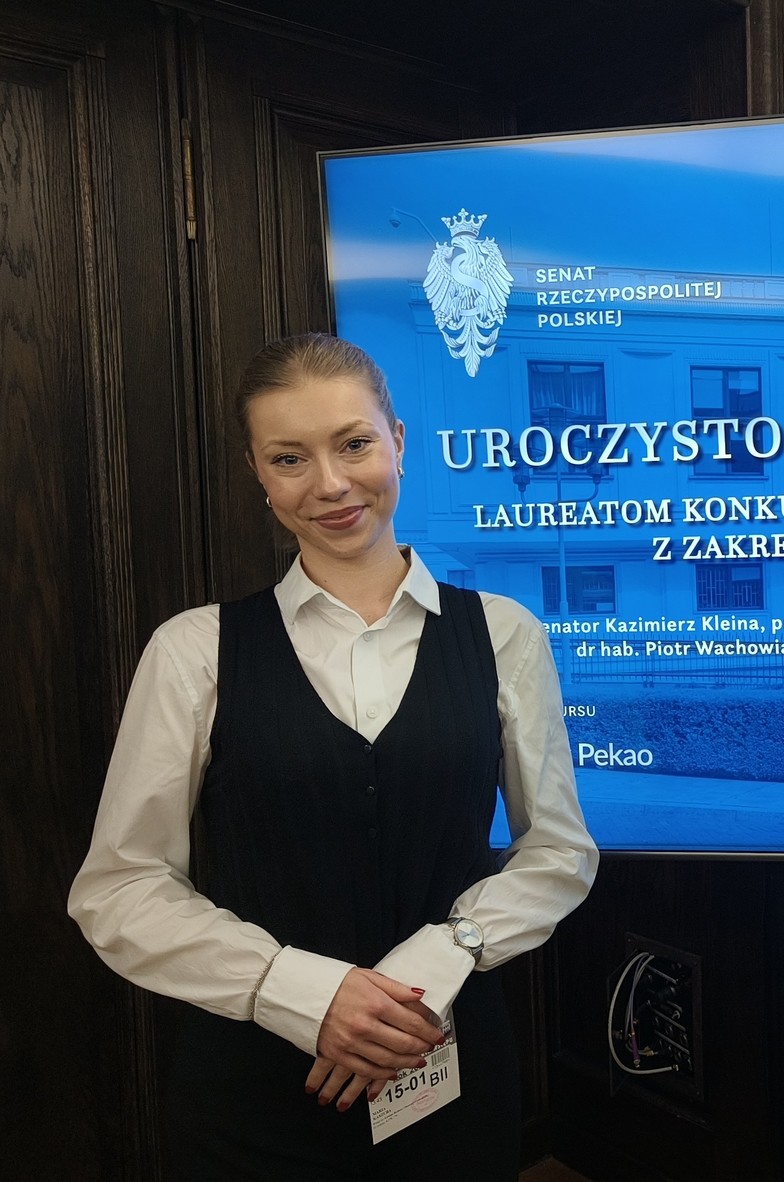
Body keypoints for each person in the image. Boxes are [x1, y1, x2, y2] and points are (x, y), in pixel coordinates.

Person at [68, 333, 597, 1180]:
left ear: (399, 440)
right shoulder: (193, 650)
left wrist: (439, 958)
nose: (330, 484)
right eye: (289, 458)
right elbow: (121, 886)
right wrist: (304, 993)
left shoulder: (505, 633)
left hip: (446, 1064)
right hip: (254, 1091)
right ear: (257, 471)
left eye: (353, 444)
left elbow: (559, 851)